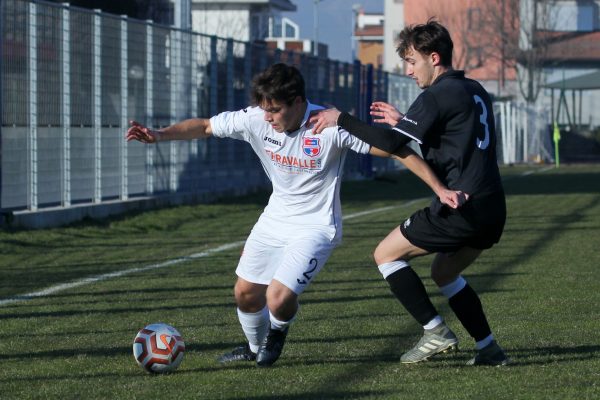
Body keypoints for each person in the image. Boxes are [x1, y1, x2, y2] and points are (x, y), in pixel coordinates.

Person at [126, 63, 464, 367]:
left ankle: (276, 336)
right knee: (244, 293)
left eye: (275, 110)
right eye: (265, 110)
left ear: (299, 102)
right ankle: (254, 347)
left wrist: (438, 187)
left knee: (277, 298)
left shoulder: (329, 125)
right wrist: (159, 135)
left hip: (316, 227)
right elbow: (203, 126)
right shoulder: (255, 119)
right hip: (275, 219)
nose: (269, 118)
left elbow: (396, 150)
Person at [308, 20, 509, 366]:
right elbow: (451, 142)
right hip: (492, 209)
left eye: (412, 61)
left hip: (460, 205)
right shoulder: (474, 89)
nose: (409, 70)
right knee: (444, 273)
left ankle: (435, 331)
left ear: (434, 58)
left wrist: (341, 118)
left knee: (385, 254)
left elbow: (389, 145)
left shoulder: (436, 94)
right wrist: (406, 121)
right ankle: (488, 347)